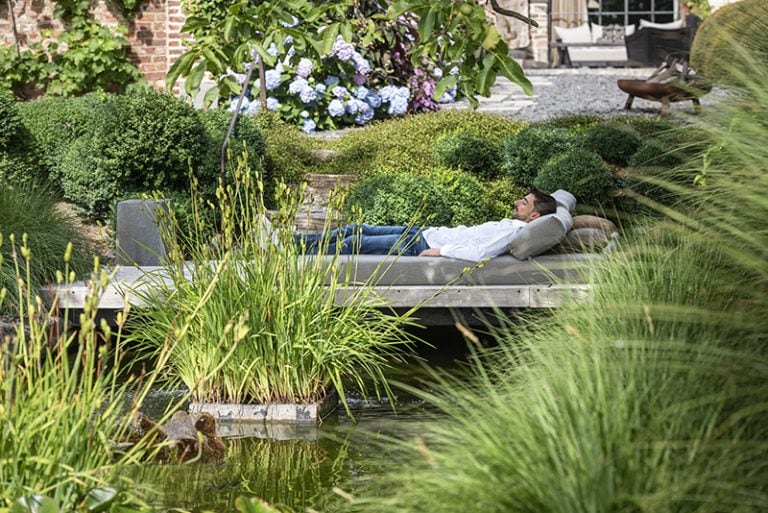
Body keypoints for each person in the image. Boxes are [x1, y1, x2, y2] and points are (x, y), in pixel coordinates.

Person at [296, 189, 557, 263]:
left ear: (534, 217)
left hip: (421, 245)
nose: (516, 202)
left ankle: (295, 255)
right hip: (422, 233)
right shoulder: (512, 224)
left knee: (353, 244)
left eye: (524, 203)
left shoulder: (514, 232)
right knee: (354, 229)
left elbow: (480, 253)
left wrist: (440, 252)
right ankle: (288, 242)